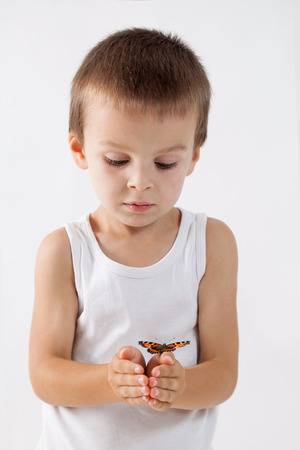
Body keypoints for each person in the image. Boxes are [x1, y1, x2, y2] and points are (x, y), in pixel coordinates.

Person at [29, 28, 238, 450]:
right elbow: (44, 375)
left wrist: (181, 387)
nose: (140, 182)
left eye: (164, 163)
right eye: (117, 160)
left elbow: (223, 374)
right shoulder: (66, 252)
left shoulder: (210, 243)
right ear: (80, 149)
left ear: (193, 156)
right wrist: (108, 380)